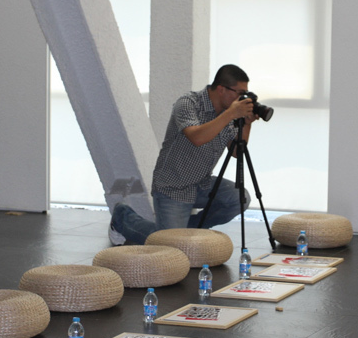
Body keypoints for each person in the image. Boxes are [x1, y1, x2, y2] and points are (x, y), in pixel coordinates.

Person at [109, 64, 259, 245]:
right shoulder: (188, 103)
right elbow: (196, 137)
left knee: (239, 198)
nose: (242, 100)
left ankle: (185, 232)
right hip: (173, 186)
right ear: (221, 89)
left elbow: (236, 152)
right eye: (240, 93)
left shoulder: (228, 114)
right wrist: (230, 114)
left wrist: (247, 123)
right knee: (169, 245)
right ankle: (122, 217)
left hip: (202, 183)